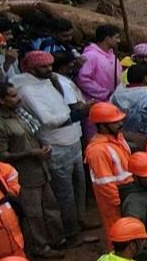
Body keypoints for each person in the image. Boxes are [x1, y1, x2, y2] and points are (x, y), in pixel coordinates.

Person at [10, 50, 86, 244]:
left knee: (79, 186)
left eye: (50, 65)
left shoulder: (49, 81)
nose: (49, 69)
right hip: (57, 144)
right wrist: (72, 113)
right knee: (64, 194)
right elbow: (48, 119)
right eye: (44, 67)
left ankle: (80, 221)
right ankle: (70, 233)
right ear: (32, 68)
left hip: (73, 139)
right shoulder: (26, 89)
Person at [0, 84, 65, 255]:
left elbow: (33, 137)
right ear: (1, 100)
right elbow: (1, 156)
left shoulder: (20, 115)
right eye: (13, 96)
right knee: (34, 214)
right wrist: (31, 153)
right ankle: (40, 247)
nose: (18, 98)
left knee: (50, 207)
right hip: (24, 176)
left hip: (40, 169)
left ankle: (57, 240)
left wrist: (42, 147)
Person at [84, 102, 133, 244]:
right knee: (119, 236)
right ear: (102, 125)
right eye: (115, 122)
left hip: (127, 194)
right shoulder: (98, 151)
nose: (120, 123)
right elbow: (105, 184)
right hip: (115, 203)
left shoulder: (117, 138)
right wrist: (119, 203)